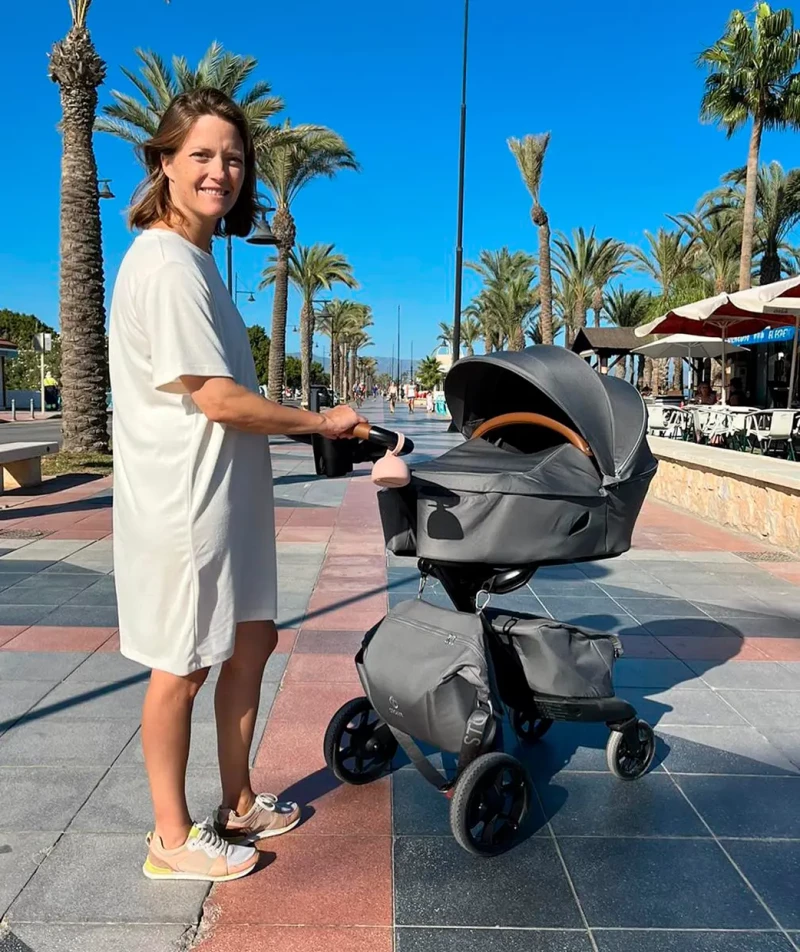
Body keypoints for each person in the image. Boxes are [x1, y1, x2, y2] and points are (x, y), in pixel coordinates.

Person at [108, 88, 365, 883]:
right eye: (202, 155)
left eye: (232, 156)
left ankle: (239, 800)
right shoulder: (164, 262)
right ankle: (169, 837)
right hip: (185, 504)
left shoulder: (198, 260)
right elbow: (215, 399)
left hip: (226, 498)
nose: (220, 171)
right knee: (181, 664)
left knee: (251, 639)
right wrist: (319, 424)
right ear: (164, 162)